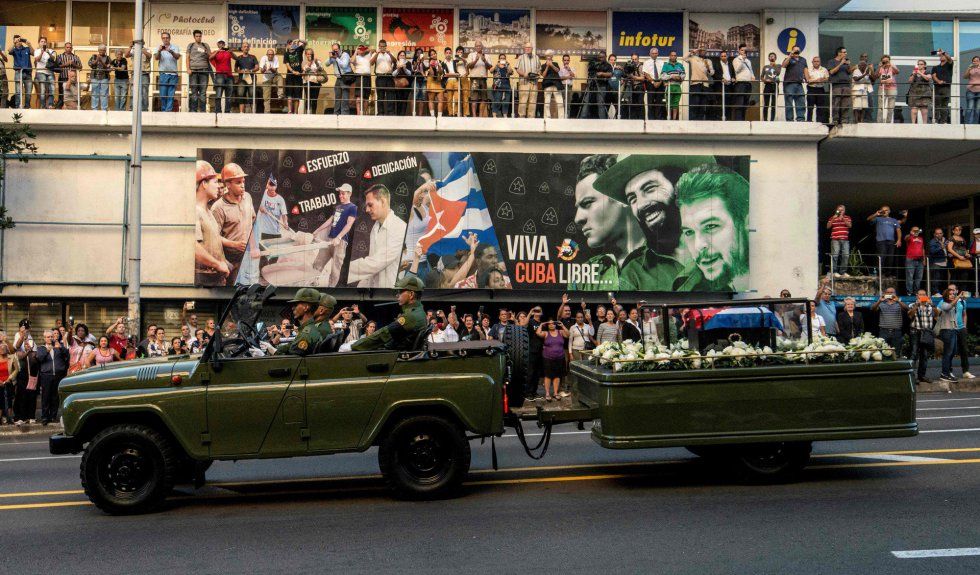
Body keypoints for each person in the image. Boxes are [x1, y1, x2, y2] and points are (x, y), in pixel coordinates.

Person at [593, 155, 712, 291]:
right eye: (632, 198)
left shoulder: (724, 243)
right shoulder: (634, 271)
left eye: (649, 189)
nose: (641, 204)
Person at [569, 154, 643, 290]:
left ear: (621, 196)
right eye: (578, 207)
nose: (577, 218)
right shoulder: (582, 278)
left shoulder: (670, 263)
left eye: (587, 203)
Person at [673, 164, 750, 292]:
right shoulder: (685, 288)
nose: (698, 245)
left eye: (711, 226)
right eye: (689, 232)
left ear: (746, 223)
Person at [347, 185, 407, 288]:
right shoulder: (375, 227)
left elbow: (375, 263)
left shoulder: (400, 227)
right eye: (366, 206)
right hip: (374, 292)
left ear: (383, 202)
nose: (367, 210)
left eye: (370, 205)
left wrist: (343, 270)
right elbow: (371, 267)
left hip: (390, 292)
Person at [348, 276, 426, 351]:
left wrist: (353, 346)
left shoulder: (410, 316)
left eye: (400, 292)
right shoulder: (419, 312)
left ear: (411, 294)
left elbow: (383, 334)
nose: (397, 295)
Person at [211, 162, 256, 284]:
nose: (242, 186)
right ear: (228, 184)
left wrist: (253, 246)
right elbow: (212, 238)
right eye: (238, 182)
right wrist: (234, 244)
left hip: (247, 257)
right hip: (229, 261)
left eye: (243, 182)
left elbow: (252, 223)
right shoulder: (218, 208)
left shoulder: (248, 197)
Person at [194, 161, 230, 286]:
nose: (219, 186)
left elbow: (214, 241)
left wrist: (224, 266)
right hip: (203, 284)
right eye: (215, 182)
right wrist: (218, 264)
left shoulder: (208, 212)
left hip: (215, 281)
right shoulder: (195, 212)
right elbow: (193, 247)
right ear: (204, 183)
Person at [275, 288, 323, 355]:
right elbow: (291, 345)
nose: (293, 308)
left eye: (296, 305)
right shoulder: (307, 329)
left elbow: (293, 360)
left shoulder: (305, 334)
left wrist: (273, 352)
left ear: (306, 307)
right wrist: (274, 348)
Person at [35, 330, 68, 424]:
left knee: (55, 397)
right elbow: (40, 358)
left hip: (58, 375)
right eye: (48, 337)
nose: (50, 338)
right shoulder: (41, 348)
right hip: (46, 375)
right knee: (46, 397)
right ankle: (45, 417)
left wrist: (60, 347)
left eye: (51, 336)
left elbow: (66, 355)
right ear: (44, 338)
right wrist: (47, 350)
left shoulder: (58, 346)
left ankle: (53, 416)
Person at [908, 289, 938, 383]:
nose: (922, 296)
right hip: (915, 332)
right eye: (920, 294)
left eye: (924, 294)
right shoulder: (912, 305)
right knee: (914, 354)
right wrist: (917, 305)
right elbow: (910, 316)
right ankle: (912, 377)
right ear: (917, 295)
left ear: (927, 296)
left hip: (926, 333)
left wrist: (932, 305)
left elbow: (937, 315)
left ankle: (922, 376)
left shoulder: (930, 306)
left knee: (924, 355)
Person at [946, 283, 975, 380]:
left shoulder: (962, 302)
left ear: (957, 291)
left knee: (964, 350)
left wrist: (964, 326)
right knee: (951, 351)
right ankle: (948, 371)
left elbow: (964, 314)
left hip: (961, 328)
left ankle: (965, 371)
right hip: (951, 328)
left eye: (953, 290)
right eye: (950, 289)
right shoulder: (946, 301)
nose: (952, 291)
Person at [867, 205, 905, 277]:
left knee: (890, 258)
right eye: (883, 210)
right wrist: (876, 214)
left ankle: (888, 273)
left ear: (889, 211)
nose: (885, 211)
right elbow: (868, 219)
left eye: (886, 210)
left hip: (891, 241)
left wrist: (899, 240)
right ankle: (880, 273)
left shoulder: (893, 220)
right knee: (882, 256)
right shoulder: (878, 219)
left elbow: (898, 230)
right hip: (881, 241)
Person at [536, 318, 569, 401]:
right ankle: (547, 394)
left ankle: (555, 393)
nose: (552, 325)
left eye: (553, 323)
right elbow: (538, 333)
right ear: (547, 325)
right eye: (549, 324)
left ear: (555, 324)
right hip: (548, 358)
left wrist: (563, 326)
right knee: (548, 376)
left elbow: (568, 335)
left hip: (560, 357)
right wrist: (541, 324)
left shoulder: (560, 332)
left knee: (557, 376)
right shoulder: (546, 333)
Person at [937, 288, 961, 383]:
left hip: (953, 330)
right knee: (947, 353)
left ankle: (948, 371)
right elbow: (948, 307)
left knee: (953, 352)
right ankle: (944, 374)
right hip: (946, 331)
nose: (952, 295)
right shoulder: (943, 304)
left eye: (953, 294)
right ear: (946, 296)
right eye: (950, 294)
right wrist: (958, 297)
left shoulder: (953, 304)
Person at [871, 287, 906, 353]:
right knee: (882, 352)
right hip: (884, 332)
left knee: (896, 352)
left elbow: (907, 308)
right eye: (888, 292)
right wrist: (879, 301)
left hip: (896, 332)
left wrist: (898, 300)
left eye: (891, 292)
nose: (890, 294)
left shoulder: (898, 302)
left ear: (895, 293)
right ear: (885, 293)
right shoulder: (882, 303)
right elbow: (873, 309)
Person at [684, 48, 715, 121]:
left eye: (704, 50)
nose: (703, 52)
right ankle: (693, 121)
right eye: (701, 50)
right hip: (695, 84)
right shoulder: (693, 58)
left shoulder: (708, 61)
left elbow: (712, 73)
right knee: (695, 103)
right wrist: (693, 51)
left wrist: (708, 69)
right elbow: (684, 58)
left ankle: (701, 121)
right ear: (699, 51)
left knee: (703, 104)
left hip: (705, 85)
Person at [186, 30, 212, 113]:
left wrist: (205, 51)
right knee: (194, 92)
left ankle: (203, 111)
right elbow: (187, 58)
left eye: (200, 36)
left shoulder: (205, 45)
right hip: (193, 71)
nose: (198, 37)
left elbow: (210, 56)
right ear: (194, 37)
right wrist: (188, 69)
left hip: (204, 70)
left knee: (203, 92)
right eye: (197, 36)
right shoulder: (190, 45)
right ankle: (193, 111)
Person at [153, 33, 180, 112]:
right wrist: (159, 51)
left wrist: (170, 51)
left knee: (171, 95)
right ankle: (164, 110)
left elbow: (177, 57)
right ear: (162, 39)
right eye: (163, 38)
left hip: (173, 74)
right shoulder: (159, 47)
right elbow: (156, 58)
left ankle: (168, 111)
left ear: (170, 38)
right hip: (163, 74)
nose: (165, 39)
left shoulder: (175, 47)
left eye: (167, 38)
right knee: (163, 94)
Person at [466, 41, 491, 118]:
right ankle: (474, 116)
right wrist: (476, 60)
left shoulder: (486, 55)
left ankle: (480, 116)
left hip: (483, 79)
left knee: (484, 98)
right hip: (474, 79)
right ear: (474, 47)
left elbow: (490, 67)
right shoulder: (471, 55)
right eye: (477, 46)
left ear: (482, 47)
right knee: (474, 99)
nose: (478, 47)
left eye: (480, 46)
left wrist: (485, 61)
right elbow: (468, 66)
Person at [514, 43, 540, 119]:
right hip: (524, 82)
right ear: (524, 49)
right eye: (526, 47)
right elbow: (517, 69)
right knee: (523, 101)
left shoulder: (537, 57)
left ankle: (531, 117)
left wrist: (537, 75)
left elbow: (539, 69)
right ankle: (521, 116)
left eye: (529, 47)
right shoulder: (520, 57)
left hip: (534, 83)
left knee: (533, 101)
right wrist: (524, 74)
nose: (528, 49)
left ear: (532, 49)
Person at [827, 47, 851, 125]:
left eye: (846, 52)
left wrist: (849, 65)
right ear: (839, 53)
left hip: (846, 86)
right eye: (844, 52)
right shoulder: (831, 61)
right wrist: (840, 63)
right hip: (837, 86)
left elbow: (849, 72)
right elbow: (832, 72)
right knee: (836, 104)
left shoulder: (845, 62)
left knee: (846, 104)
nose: (846, 53)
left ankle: (844, 120)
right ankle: (836, 120)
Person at [372, 39, 397, 116]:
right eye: (381, 46)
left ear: (386, 46)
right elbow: (371, 63)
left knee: (391, 95)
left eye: (384, 46)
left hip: (389, 76)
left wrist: (390, 54)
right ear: (379, 46)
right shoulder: (376, 54)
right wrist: (377, 53)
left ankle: (391, 112)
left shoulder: (389, 53)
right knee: (380, 96)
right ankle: (380, 113)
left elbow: (395, 61)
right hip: (380, 77)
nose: (382, 48)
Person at [730, 45, 754, 122]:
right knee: (739, 103)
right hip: (740, 84)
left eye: (745, 50)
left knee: (745, 104)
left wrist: (752, 76)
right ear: (739, 51)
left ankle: (743, 121)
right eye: (742, 50)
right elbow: (737, 70)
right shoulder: (736, 60)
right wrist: (742, 60)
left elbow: (750, 70)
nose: (744, 52)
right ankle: (738, 121)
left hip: (748, 84)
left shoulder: (748, 61)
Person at [8, 35, 33, 109]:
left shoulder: (26, 49)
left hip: (28, 73)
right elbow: (9, 51)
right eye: (16, 41)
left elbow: (33, 53)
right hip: (18, 72)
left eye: (19, 40)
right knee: (18, 91)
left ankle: (27, 106)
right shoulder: (14, 50)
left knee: (28, 92)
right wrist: (14, 43)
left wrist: (29, 44)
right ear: (14, 41)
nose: (18, 42)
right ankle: (18, 106)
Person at [826, 205, 851, 277]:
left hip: (845, 239)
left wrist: (843, 218)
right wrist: (833, 219)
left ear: (844, 211)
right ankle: (834, 272)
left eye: (842, 210)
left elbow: (849, 225)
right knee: (835, 255)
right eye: (839, 210)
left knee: (846, 256)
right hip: (835, 239)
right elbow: (828, 227)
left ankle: (843, 272)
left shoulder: (847, 217)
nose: (840, 211)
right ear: (836, 210)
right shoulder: (832, 217)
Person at [127, 40, 151, 112]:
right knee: (133, 91)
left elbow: (150, 56)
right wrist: (130, 46)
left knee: (144, 93)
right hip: (134, 74)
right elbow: (126, 55)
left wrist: (142, 50)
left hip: (144, 74)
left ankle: (144, 109)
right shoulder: (133, 50)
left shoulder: (147, 49)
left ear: (143, 43)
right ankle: (132, 108)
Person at [33, 37, 57, 109]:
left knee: (52, 88)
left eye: (44, 42)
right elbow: (37, 59)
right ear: (39, 43)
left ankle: (50, 104)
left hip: (50, 72)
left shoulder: (50, 50)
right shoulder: (37, 51)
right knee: (42, 90)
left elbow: (54, 59)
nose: (43, 43)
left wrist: (48, 52)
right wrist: (42, 52)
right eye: (41, 41)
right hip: (41, 72)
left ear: (46, 43)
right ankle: (43, 106)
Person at [931, 49, 954, 124]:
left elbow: (950, 59)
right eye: (940, 56)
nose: (941, 56)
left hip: (946, 87)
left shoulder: (949, 65)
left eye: (943, 55)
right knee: (937, 104)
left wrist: (943, 52)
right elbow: (933, 76)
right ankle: (936, 121)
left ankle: (944, 121)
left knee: (944, 104)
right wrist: (938, 81)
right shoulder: (935, 67)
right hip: (937, 87)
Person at [642, 48, 665, 121]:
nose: (654, 55)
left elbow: (664, 73)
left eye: (656, 53)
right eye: (653, 53)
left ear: (658, 54)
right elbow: (646, 74)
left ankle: (658, 119)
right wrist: (653, 82)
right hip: (650, 84)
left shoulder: (662, 62)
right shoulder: (646, 62)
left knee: (659, 102)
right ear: (650, 54)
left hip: (660, 83)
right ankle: (651, 119)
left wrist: (659, 82)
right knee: (650, 102)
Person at [539, 50, 564, 119]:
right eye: (547, 55)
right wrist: (547, 66)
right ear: (546, 57)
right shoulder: (543, 65)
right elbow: (543, 75)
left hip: (556, 84)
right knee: (547, 103)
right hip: (547, 84)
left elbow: (557, 70)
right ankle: (547, 117)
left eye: (550, 55)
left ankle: (561, 118)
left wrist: (551, 65)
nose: (549, 57)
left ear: (552, 56)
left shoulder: (555, 63)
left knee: (560, 102)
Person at [235, 42, 258, 113]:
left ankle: (253, 112)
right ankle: (241, 112)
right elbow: (235, 69)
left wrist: (250, 70)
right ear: (242, 48)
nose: (246, 48)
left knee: (252, 94)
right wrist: (240, 71)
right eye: (244, 47)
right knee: (241, 94)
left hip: (251, 79)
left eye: (247, 47)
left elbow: (257, 68)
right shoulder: (238, 58)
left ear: (249, 48)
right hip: (242, 79)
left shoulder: (253, 57)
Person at [284, 39, 306, 114]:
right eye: (289, 44)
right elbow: (287, 65)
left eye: (292, 43)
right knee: (289, 95)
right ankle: (290, 111)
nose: (291, 45)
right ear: (287, 45)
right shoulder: (286, 54)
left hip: (298, 77)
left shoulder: (298, 50)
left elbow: (305, 43)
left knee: (297, 96)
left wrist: (299, 40)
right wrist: (293, 72)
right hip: (290, 76)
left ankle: (296, 112)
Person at [661, 52, 685, 121]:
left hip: (677, 86)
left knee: (676, 103)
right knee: (669, 103)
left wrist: (679, 78)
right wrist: (672, 76)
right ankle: (669, 118)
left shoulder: (680, 65)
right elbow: (662, 76)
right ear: (669, 56)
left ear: (676, 57)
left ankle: (674, 120)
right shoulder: (666, 65)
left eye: (675, 55)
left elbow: (683, 76)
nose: (673, 57)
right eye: (672, 55)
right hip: (669, 86)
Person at [908, 60, 932, 125]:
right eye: (918, 64)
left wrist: (920, 73)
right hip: (914, 92)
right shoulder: (914, 72)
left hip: (925, 93)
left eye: (921, 64)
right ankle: (913, 124)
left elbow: (928, 78)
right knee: (914, 109)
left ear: (924, 65)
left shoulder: (927, 71)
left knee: (924, 109)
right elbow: (909, 81)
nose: (919, 65)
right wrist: (913, 74)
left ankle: (924, 124)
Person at [806, 56, 829, 124]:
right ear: (812, 62)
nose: (816, 63)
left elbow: (827, 78)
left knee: (820, 107)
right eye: (815, 61)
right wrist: (817, 80)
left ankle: (819, 122)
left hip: (821, 89)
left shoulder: (824, 69)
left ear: (820, 62)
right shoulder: (808, 69)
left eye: (817, 61)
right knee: (810, 107)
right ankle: (809, 121)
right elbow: (808, 80)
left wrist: (822, 80)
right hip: (811, 89)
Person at [876, 55, 899, 123]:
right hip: (882, 88)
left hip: (892, 88)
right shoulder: (881, 67)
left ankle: (888, 122)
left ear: (889, 61)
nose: (885, 63)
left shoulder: (892, 66)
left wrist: (891, 65)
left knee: (891, 107)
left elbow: (897, 72)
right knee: (880, 107)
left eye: (887, 61)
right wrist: (880, 67)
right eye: (884, 61)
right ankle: (879, 122)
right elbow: (876, 76)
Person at [904, 226, 926, 296]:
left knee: (919, 277)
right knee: (910, 277)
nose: (916, 231)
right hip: (911, 259)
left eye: (917, 230)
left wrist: (924, 259)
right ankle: (909, 292)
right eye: (914, 230)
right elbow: (905, 238)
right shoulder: (910, 237)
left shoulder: (921, 238)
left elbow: (923, 249)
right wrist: (911, 234)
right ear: (911, 231)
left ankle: (916, 292)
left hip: (920, 260)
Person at [88, 45, 111, 111]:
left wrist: (101, 61)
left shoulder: (108, 58)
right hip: (95, 78)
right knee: (95, 94)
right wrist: (96, 60)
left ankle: (104, 109)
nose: (102, 51)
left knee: (104, 94)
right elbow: (90, 65)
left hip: (104, 78)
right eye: (101, 50)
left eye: (103, 50)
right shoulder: (94, 56)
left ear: (105, 51)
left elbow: (109, 68)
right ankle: (94, 109)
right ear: (98, 50)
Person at [0, 344, 19, 425]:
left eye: (4, 348)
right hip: (0, 382)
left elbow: (16, 369)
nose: (2, 349)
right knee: (0, 401)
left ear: (7, 349)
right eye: (0, 348)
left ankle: (9, 418)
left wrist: (9, 378)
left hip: (9, 382)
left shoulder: (12, 358)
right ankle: (0, 418)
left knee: (9, 400)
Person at [259, 48, 281, 113]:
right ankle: (267, 112)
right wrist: (265, 68)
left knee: (280, 76)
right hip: (266, 78)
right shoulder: (263, 58)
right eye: (269, 54)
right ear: (267, 55)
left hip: (274, 76)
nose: (270, 56)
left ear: (274, 55)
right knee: (266, 97)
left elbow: (276, 71)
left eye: (272, 54)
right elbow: (261, 72)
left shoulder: (276, 58)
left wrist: (271, 68)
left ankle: (280, 94)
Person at [761, 52, 780, 122]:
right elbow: (761, 77)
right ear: (768, 58)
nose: (772, 57)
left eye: (773, 56)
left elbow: (778, 73)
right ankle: (765, 120)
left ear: (775, 58)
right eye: (770, 56)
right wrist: (765, 80)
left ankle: (772, 120)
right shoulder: (765, 67)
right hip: (767, 86)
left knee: (773, 104)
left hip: (775, 86)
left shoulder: (778, 65)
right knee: (766, 104)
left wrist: (774, 65)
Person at [964, 56, 980, 125]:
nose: (975, 62)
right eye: (974, 61)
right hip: (970, 90)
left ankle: (975, 124)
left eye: (977, 61)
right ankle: (967, 124)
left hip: (979, 91)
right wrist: (969, 68)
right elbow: (965, 77)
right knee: (969, 108)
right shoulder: (970, 68)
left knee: (977, 109)